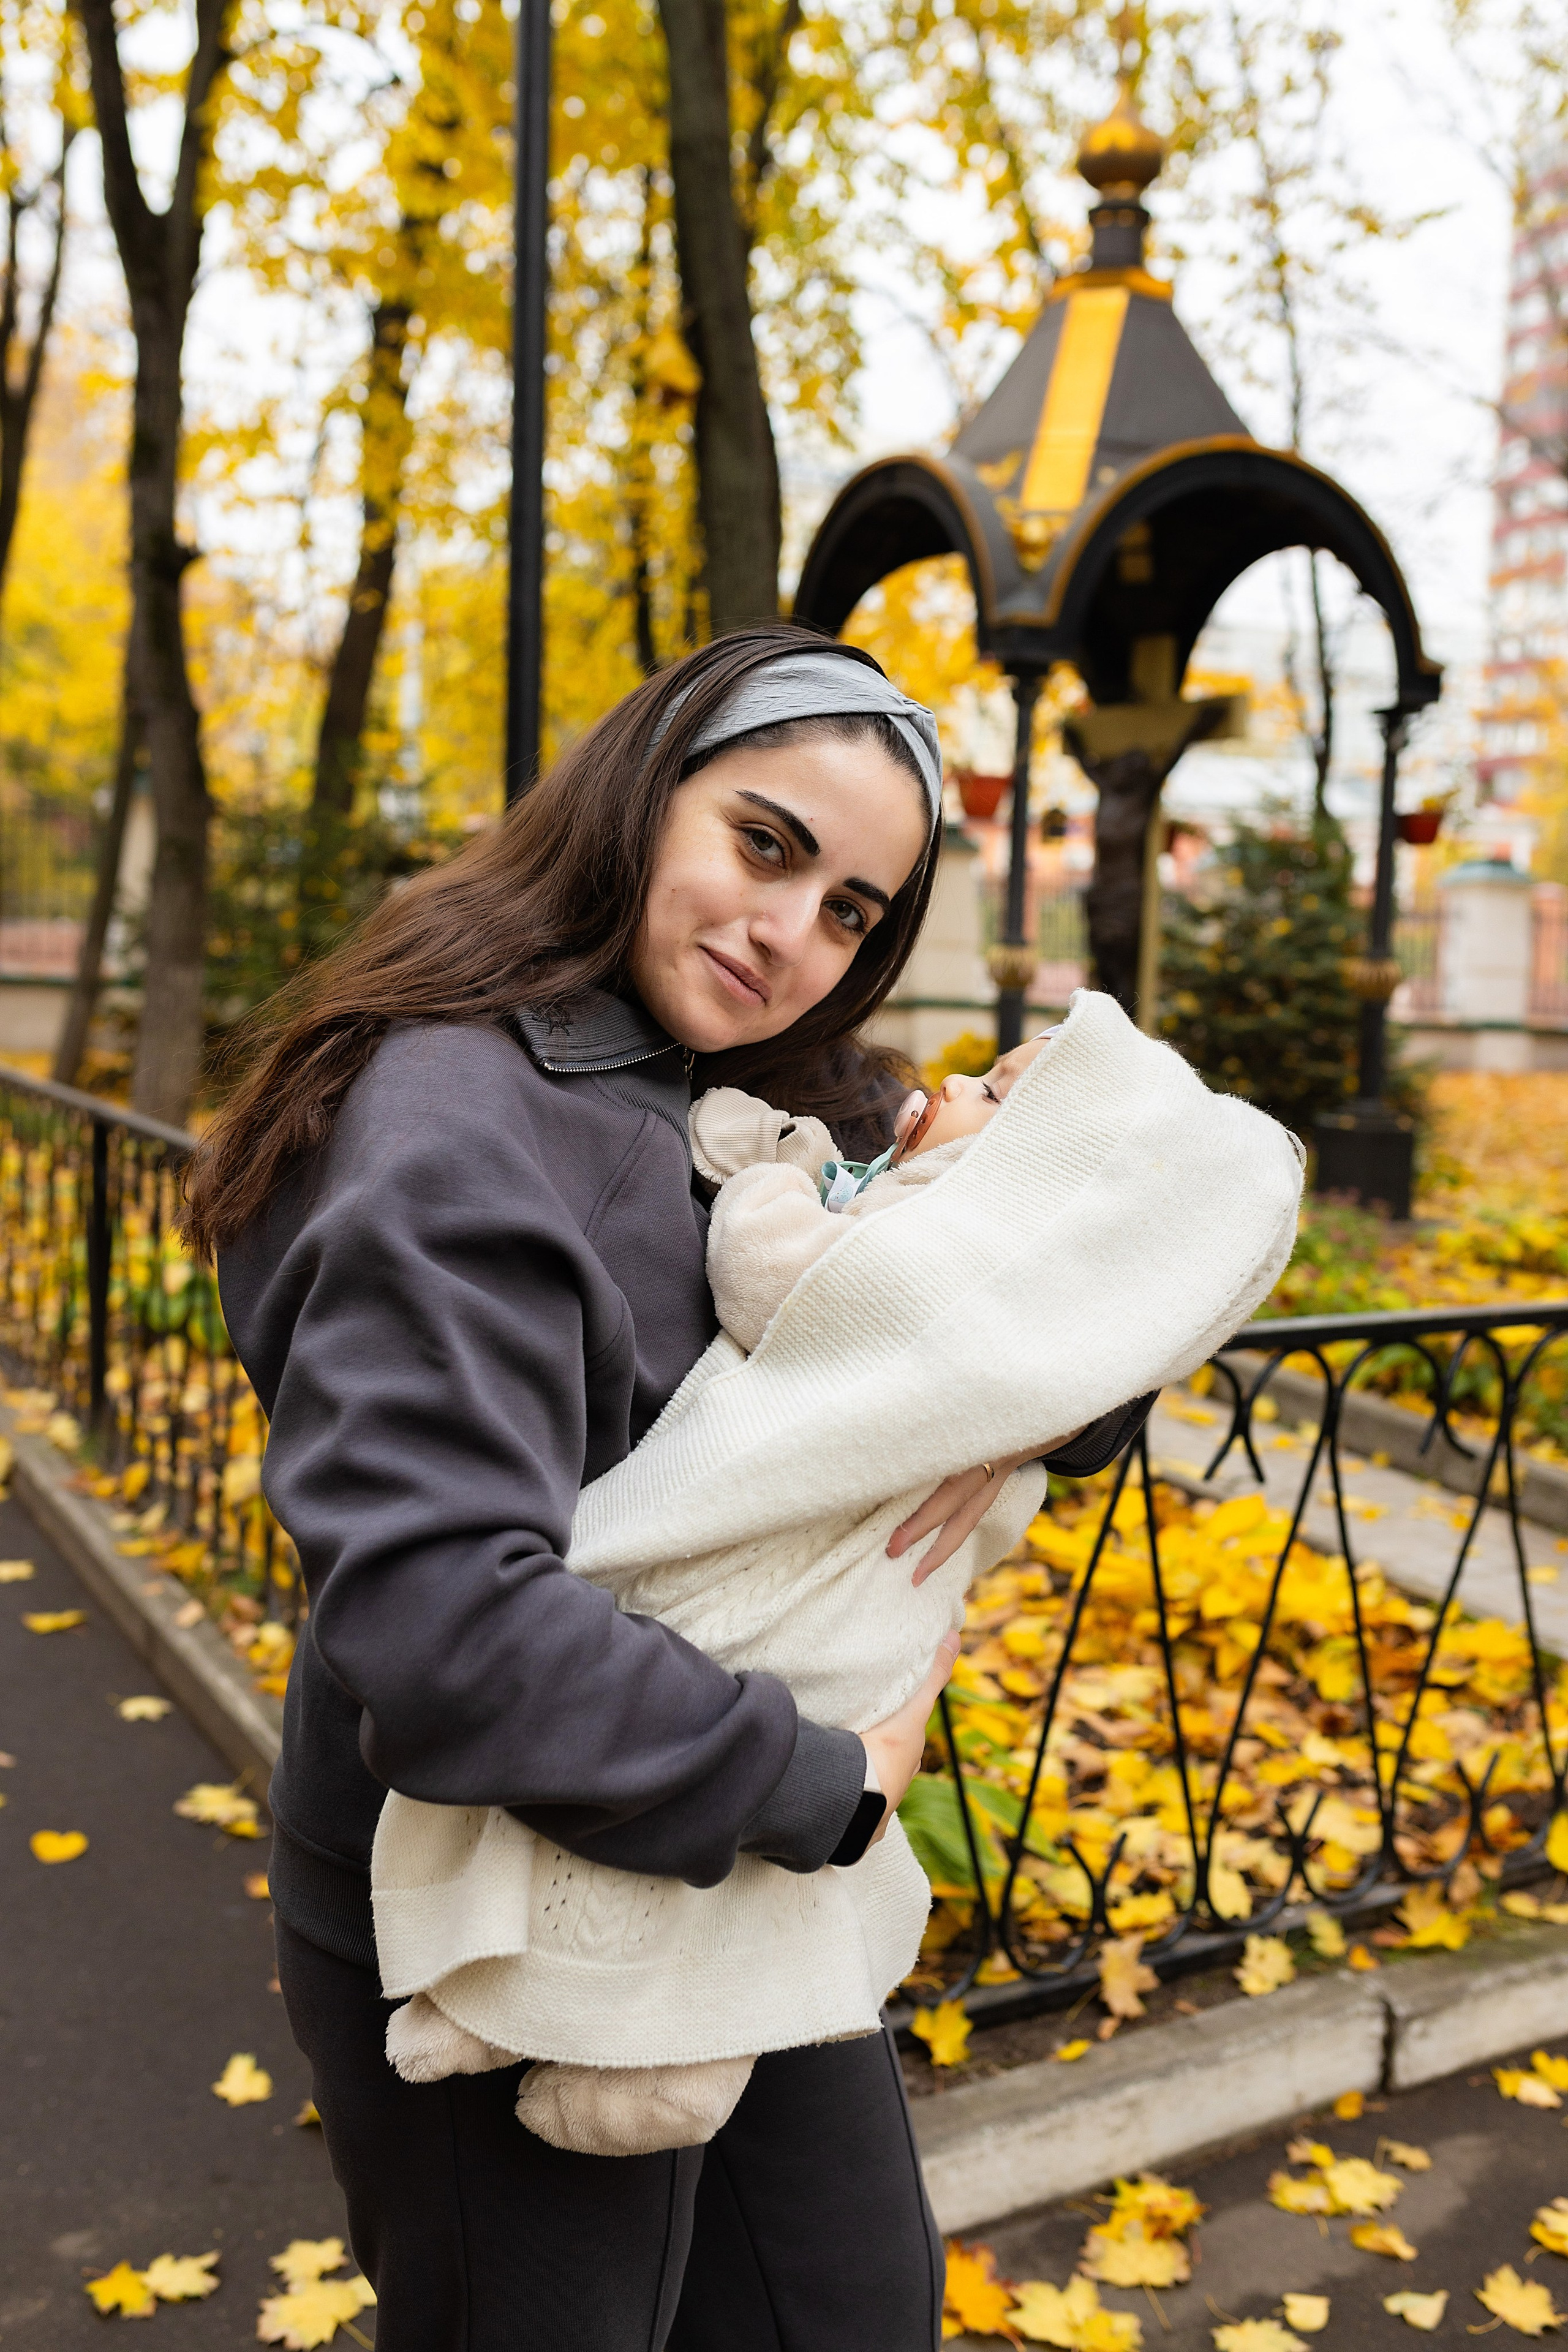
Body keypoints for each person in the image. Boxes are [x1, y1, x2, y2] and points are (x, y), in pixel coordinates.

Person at [181, 625, 1152, 2352]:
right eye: (765, 846)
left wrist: (1007, 1329)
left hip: (734, 1893)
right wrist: (828, 1783)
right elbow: (444, 1628)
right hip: (500, 1924)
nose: (792, 937)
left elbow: (1042, 1357)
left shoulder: (769, 1089)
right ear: (644, 797)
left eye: (854, 909)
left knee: (847, 2309)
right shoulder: (449, 1117)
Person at [369, 1000, 1301, 2162]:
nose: (957, 1084)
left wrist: (1029, 1395)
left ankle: (667, 2049)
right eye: (764, 848)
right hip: (677, 1683)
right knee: (653, 1786)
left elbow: (1089, 1256)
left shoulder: (891, 1142)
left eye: (852, 902)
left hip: (825, 1613)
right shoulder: (463, 1092)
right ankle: (505, 1992)